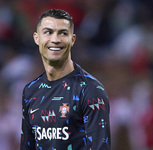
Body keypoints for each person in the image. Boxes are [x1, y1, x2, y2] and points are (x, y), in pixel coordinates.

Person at [20, 9, 111, 150]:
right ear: (36, 38)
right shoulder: (30, 91)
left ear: (72, 40)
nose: (55, 40)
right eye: (48, 32)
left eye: (63, 33)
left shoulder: (90, 90)